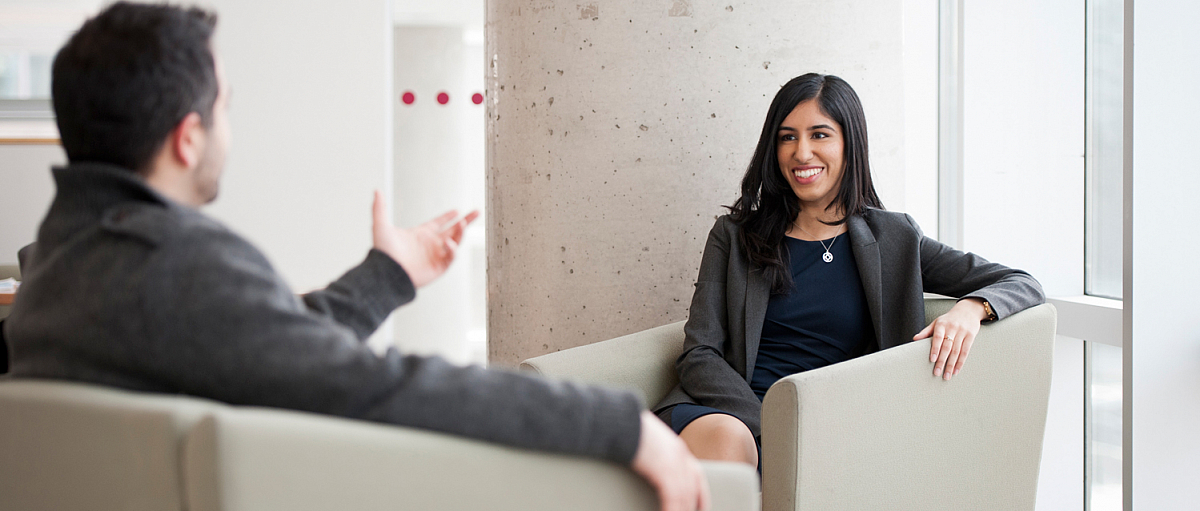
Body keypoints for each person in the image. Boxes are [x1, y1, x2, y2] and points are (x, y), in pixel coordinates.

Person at [0, 4, 708, 510]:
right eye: (225, 106)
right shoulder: (170, 266)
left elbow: (270, 346)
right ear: (189, 138)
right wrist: (620, 424)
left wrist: (389, 274)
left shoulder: (60, 268)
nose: (228, 127)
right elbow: (372, 387)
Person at [652, 73, 1045, 468]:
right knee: (731, 442)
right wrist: (769, 425)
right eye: (787, 137)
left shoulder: (895, 238)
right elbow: (699, 352)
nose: (801, 152)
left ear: (849, 143)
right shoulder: (734, 235)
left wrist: (973, 307)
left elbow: (1022, 283)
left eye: (819, 135)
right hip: (727, 412)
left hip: (825, 424)